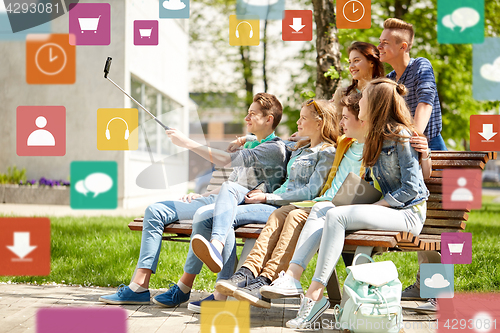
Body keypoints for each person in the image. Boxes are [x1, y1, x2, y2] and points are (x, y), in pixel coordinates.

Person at [265, 78, 429, 329]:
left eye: (363, 98)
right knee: (323, 207)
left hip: (408, 213)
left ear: (375, 104)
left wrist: (377, 207)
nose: (358, 101)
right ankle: (292, 277)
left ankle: (314, 295)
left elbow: (413, 189)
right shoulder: (375, 136)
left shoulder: (400, 135)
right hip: (387, 209)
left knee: (336, 215)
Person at [99, 93, 288, 306]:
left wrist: (187, 143)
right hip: (222, 200)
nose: (246, 118)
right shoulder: (252, 143)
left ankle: (204, 290)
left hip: (247, 207)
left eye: (252, 114)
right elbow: (234, 181)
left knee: (212, 216)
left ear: (269, 119)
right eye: (247, 113)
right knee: (155, 210)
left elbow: (226, 161)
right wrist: (205, 195)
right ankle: (139, 286)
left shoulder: (273, 149)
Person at [182, 99, 338, 311]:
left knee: (225, 215)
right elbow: (277, 143)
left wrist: (267, 197)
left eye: (303, 118)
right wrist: (244, 138)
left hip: (283, 205)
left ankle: (222, 290)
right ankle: (229, 276)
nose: (298, 123)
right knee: (225, 205)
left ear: (319, 123)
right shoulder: (299, 148)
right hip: (273, 203)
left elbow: (310, 191)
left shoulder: (326, 152)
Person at [378, 17, 444, 311]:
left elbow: (425, 102)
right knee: (424, 221)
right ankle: (424, 287)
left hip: (432, 151)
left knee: (437, 226)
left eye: (384, 42)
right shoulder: (392, 78)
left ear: (402, 46)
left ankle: (436, 292)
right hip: (409, 154)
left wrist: (415, 138)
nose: (379, 46)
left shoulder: (421, 66)